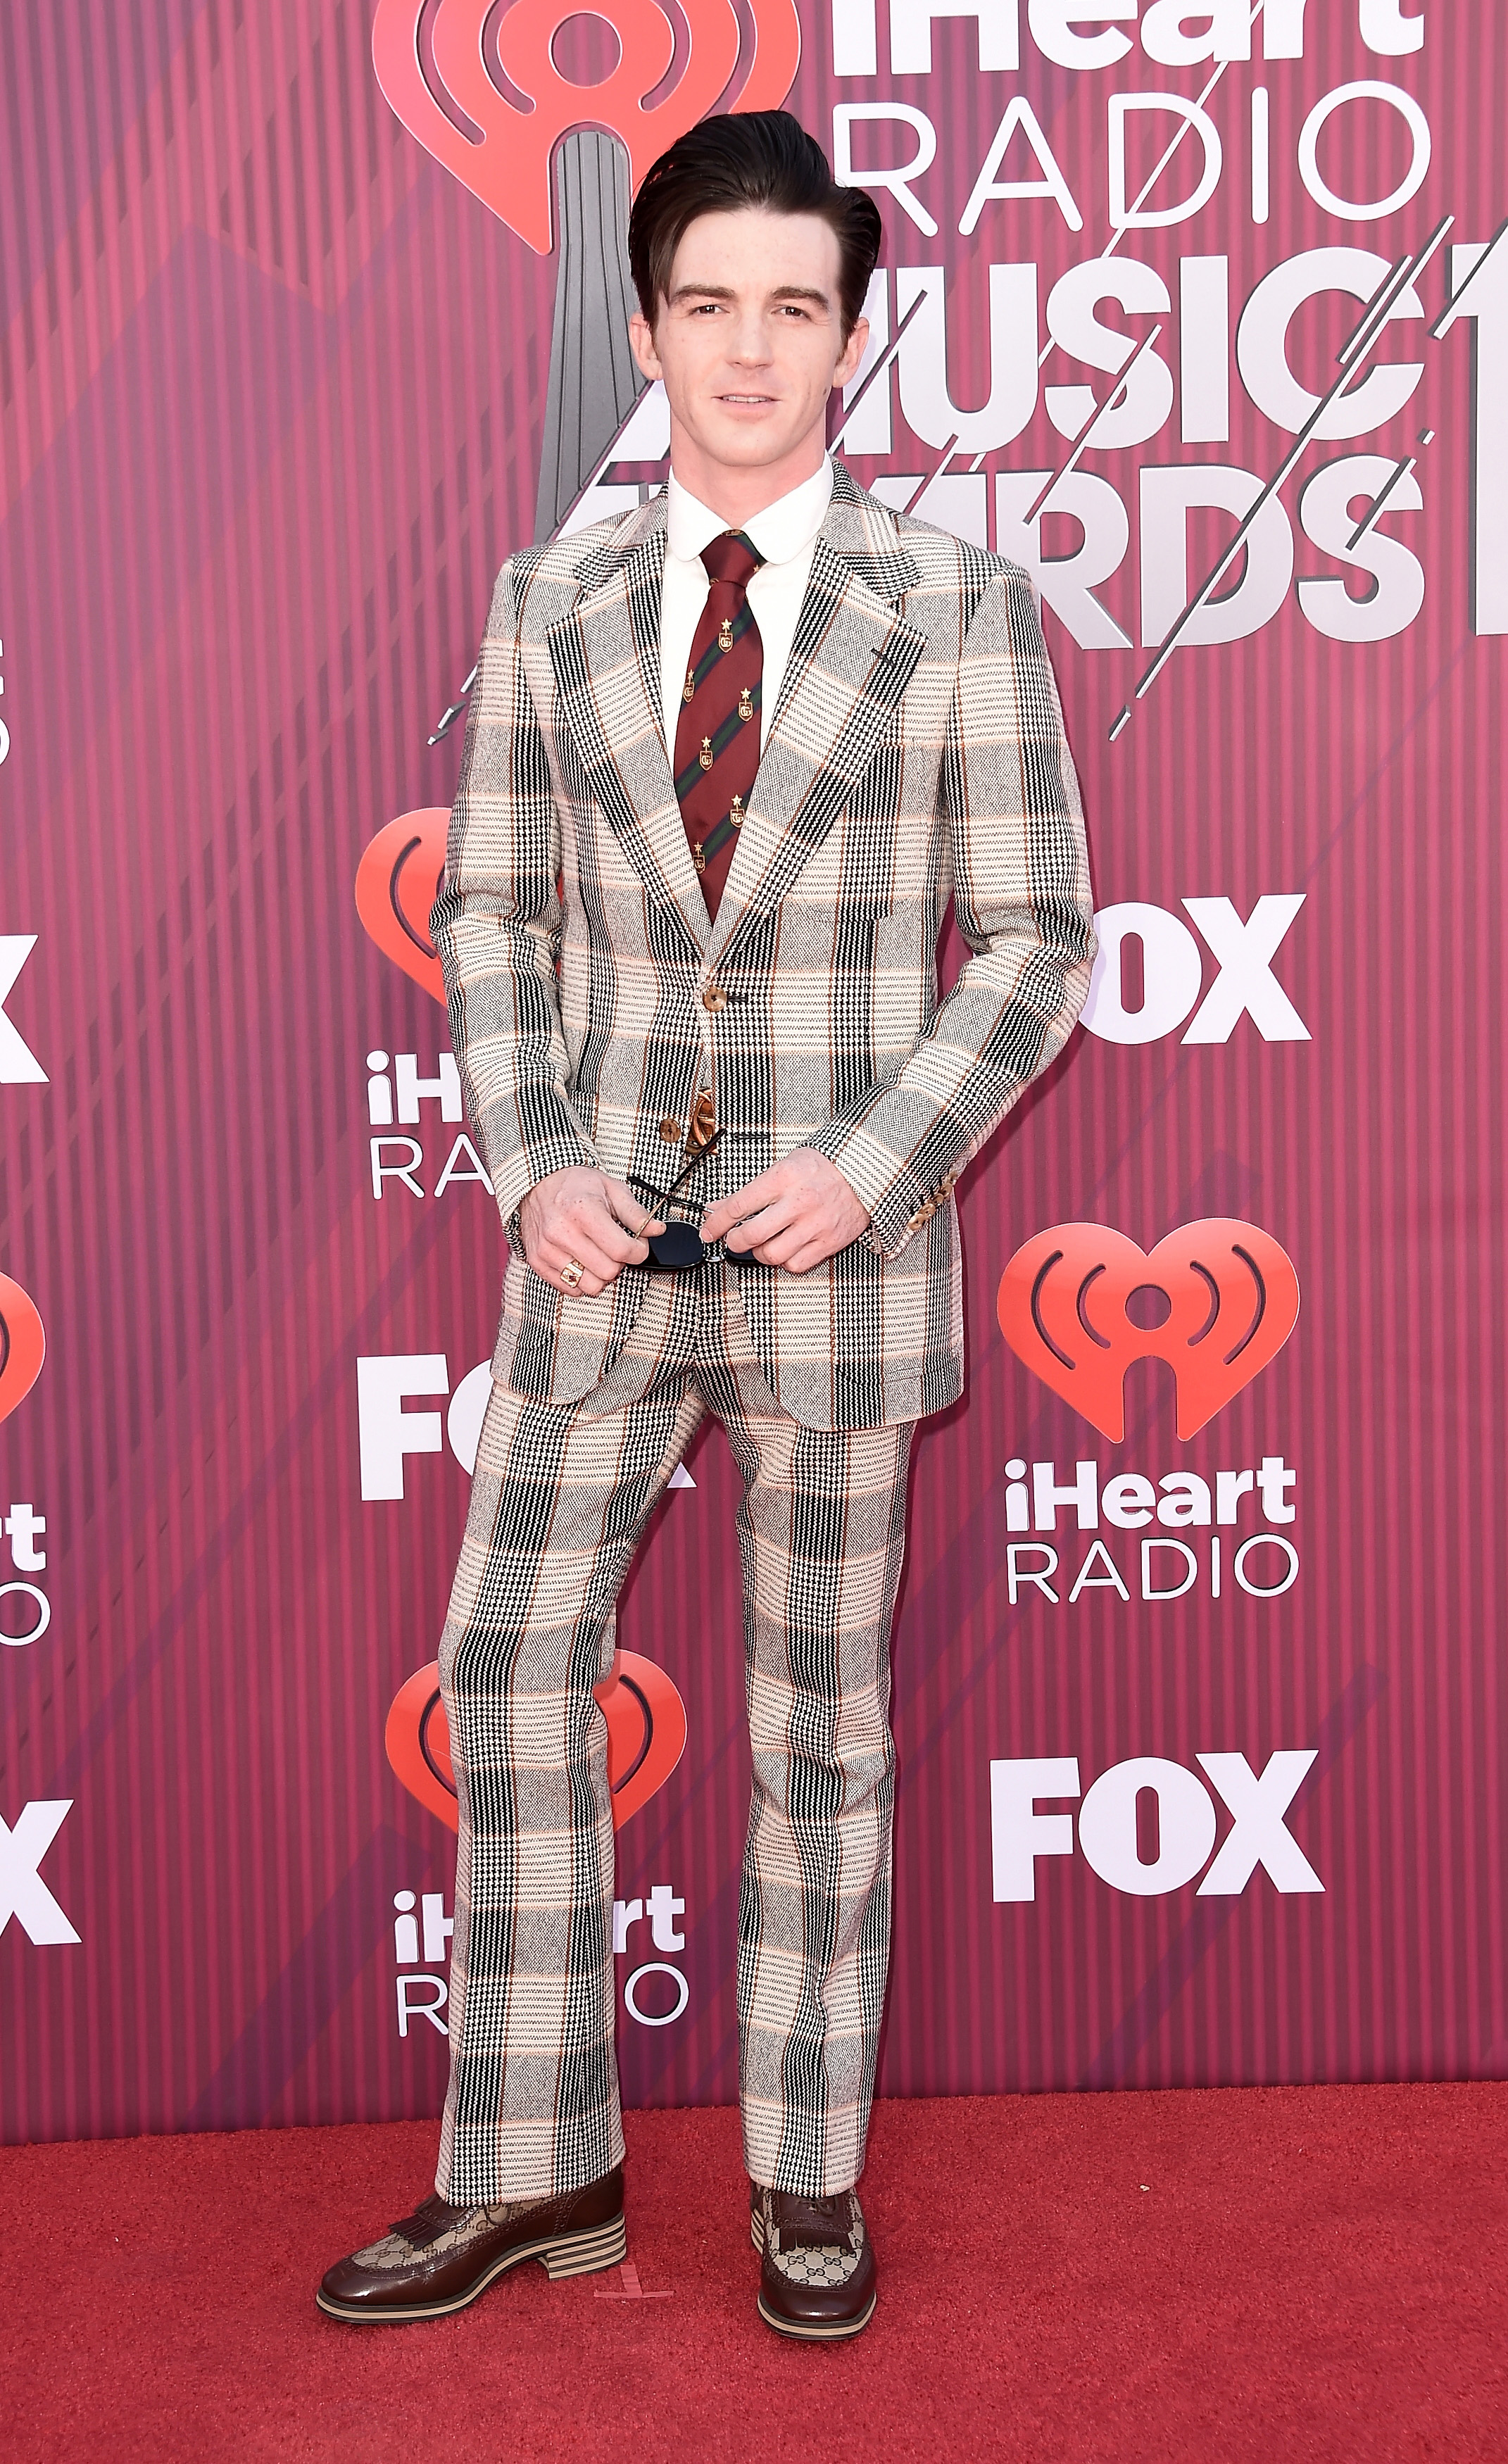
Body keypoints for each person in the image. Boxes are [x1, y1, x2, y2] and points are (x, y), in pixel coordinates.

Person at [318, 108, 1095, 2342]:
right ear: (643, 329)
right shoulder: (547, 601)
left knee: (815, 1724)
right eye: (708, 305)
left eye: (795, 307)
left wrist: (877, 1159)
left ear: (851, 338)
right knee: (507, 1666)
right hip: (592, 1255)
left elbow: (1036, 939)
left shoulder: (958, 605)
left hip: (837, 1266)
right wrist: (532, 1156)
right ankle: (532, 2164)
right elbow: (488, 908)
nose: (751, 349)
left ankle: (802, 2170)